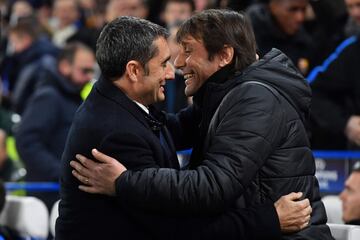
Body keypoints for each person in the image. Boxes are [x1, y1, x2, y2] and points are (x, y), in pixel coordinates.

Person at [71, 10, 332, 239]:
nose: (177, 64)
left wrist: (124, 182)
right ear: (134, 71)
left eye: (187, 50)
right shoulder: (226, 94)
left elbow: (212, 185)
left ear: (224, 55)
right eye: (167, 60)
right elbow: (168, 131)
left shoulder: (253, 97)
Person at [15, 42, 95, 210]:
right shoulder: (49, 97)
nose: (89, 77)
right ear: (65, 66)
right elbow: (26, 141)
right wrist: (61, 172)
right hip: (48, 196)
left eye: (91, 71)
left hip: (63, 193)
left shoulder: (72, 97)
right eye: (84, 70)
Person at [246, 0, 314, 74]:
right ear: (273, 7)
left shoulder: (304, 37)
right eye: (293, 9)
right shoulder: (248, 34)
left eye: (304, 9)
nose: (300, 18)